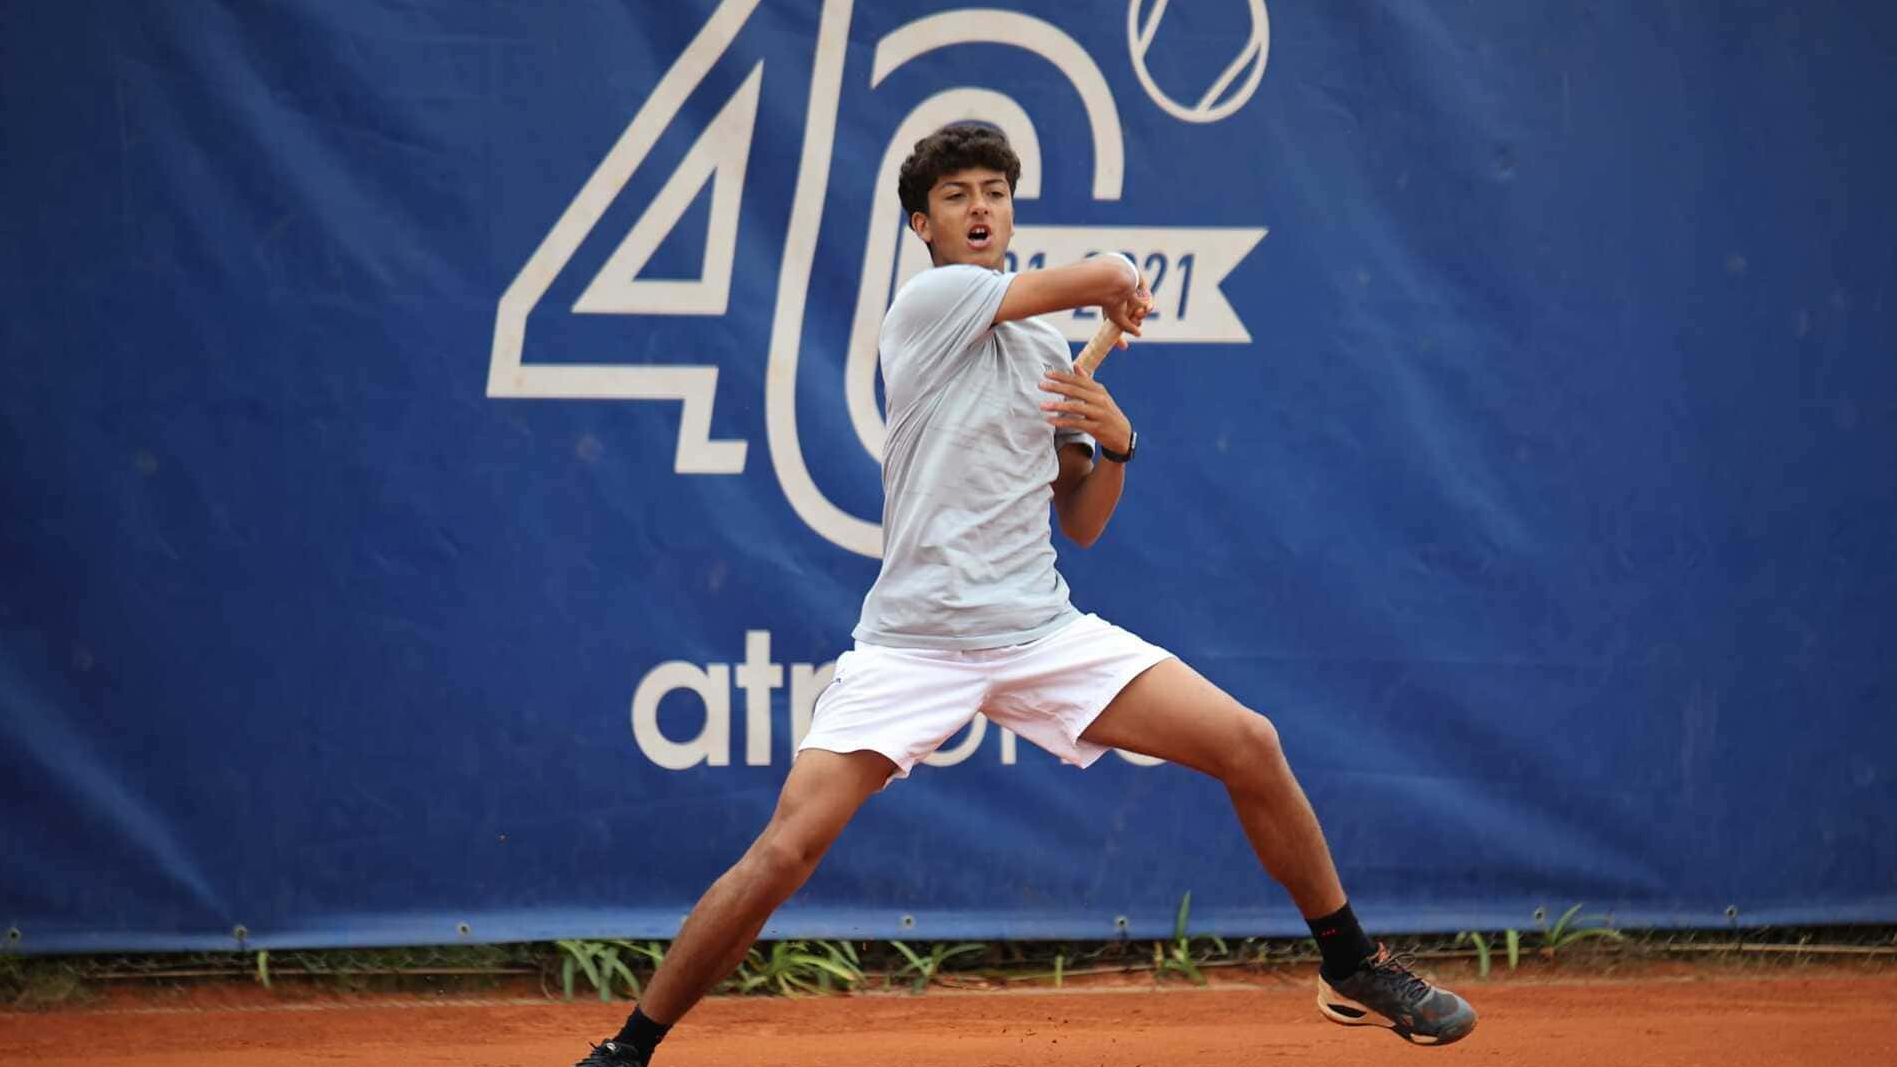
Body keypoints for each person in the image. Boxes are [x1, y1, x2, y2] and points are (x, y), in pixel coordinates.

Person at [572, 124, 1476, 1065]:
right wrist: (1118, 279)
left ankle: (1349, 961)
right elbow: (1105, 273)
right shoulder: (929, 302)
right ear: (921, 225)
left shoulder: (1046, 347)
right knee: (783, 852)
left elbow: (1079, 520)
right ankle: (629, 1047)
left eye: (994, 192)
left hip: (1039, 629)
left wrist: (1117, 444)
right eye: (955, 194)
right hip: (912, 644)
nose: (979, 208)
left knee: (1249, 742)